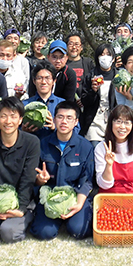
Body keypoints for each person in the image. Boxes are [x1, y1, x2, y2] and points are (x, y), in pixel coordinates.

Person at [0, 97, 41, 244]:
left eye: (13, 116)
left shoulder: (32, 142)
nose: (8, 121)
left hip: (20, 203)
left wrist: (21, 209)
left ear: (20, 120)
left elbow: (28, 178)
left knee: (9, 233)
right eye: (3, 116)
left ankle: (27, 215)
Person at [30, 101, 95, 240]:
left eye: (69, 118)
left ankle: (74, 218)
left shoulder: (85, 146)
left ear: (76, 121)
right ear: (54, 119)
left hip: (74, 195)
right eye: (60, 117)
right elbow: (34, 176)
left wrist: (79, 204)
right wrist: (40, 180)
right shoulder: (42, 144)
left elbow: (87, 180)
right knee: (44, 233)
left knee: (78, 231)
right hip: (50, 196)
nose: (64, 121)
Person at [80, 44, 118, 144]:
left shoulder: (118, 76)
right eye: (102, 55)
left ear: (113, 58)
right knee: (95, 148)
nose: (105, 57)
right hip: (94, 120)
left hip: (112, 120)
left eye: (108, 54)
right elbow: (84, 100)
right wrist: (93, 91)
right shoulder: (91, 76)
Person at [21, 61, 69, 139]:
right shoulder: (25, 105)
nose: (43, 82)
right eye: (39, 78)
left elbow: (75, 130)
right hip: (31, 148)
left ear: (54, 81)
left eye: (47, 78)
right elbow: (14, 130)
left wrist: (55, 128)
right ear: (34, 81)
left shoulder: (63, 104)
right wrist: (23, 131)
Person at [66, 32, 95, 99]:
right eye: (71, 44)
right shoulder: (63, 63)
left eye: (77, 44)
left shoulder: (88, 63)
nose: (74, 47)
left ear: (81, 47)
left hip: (85, 103)